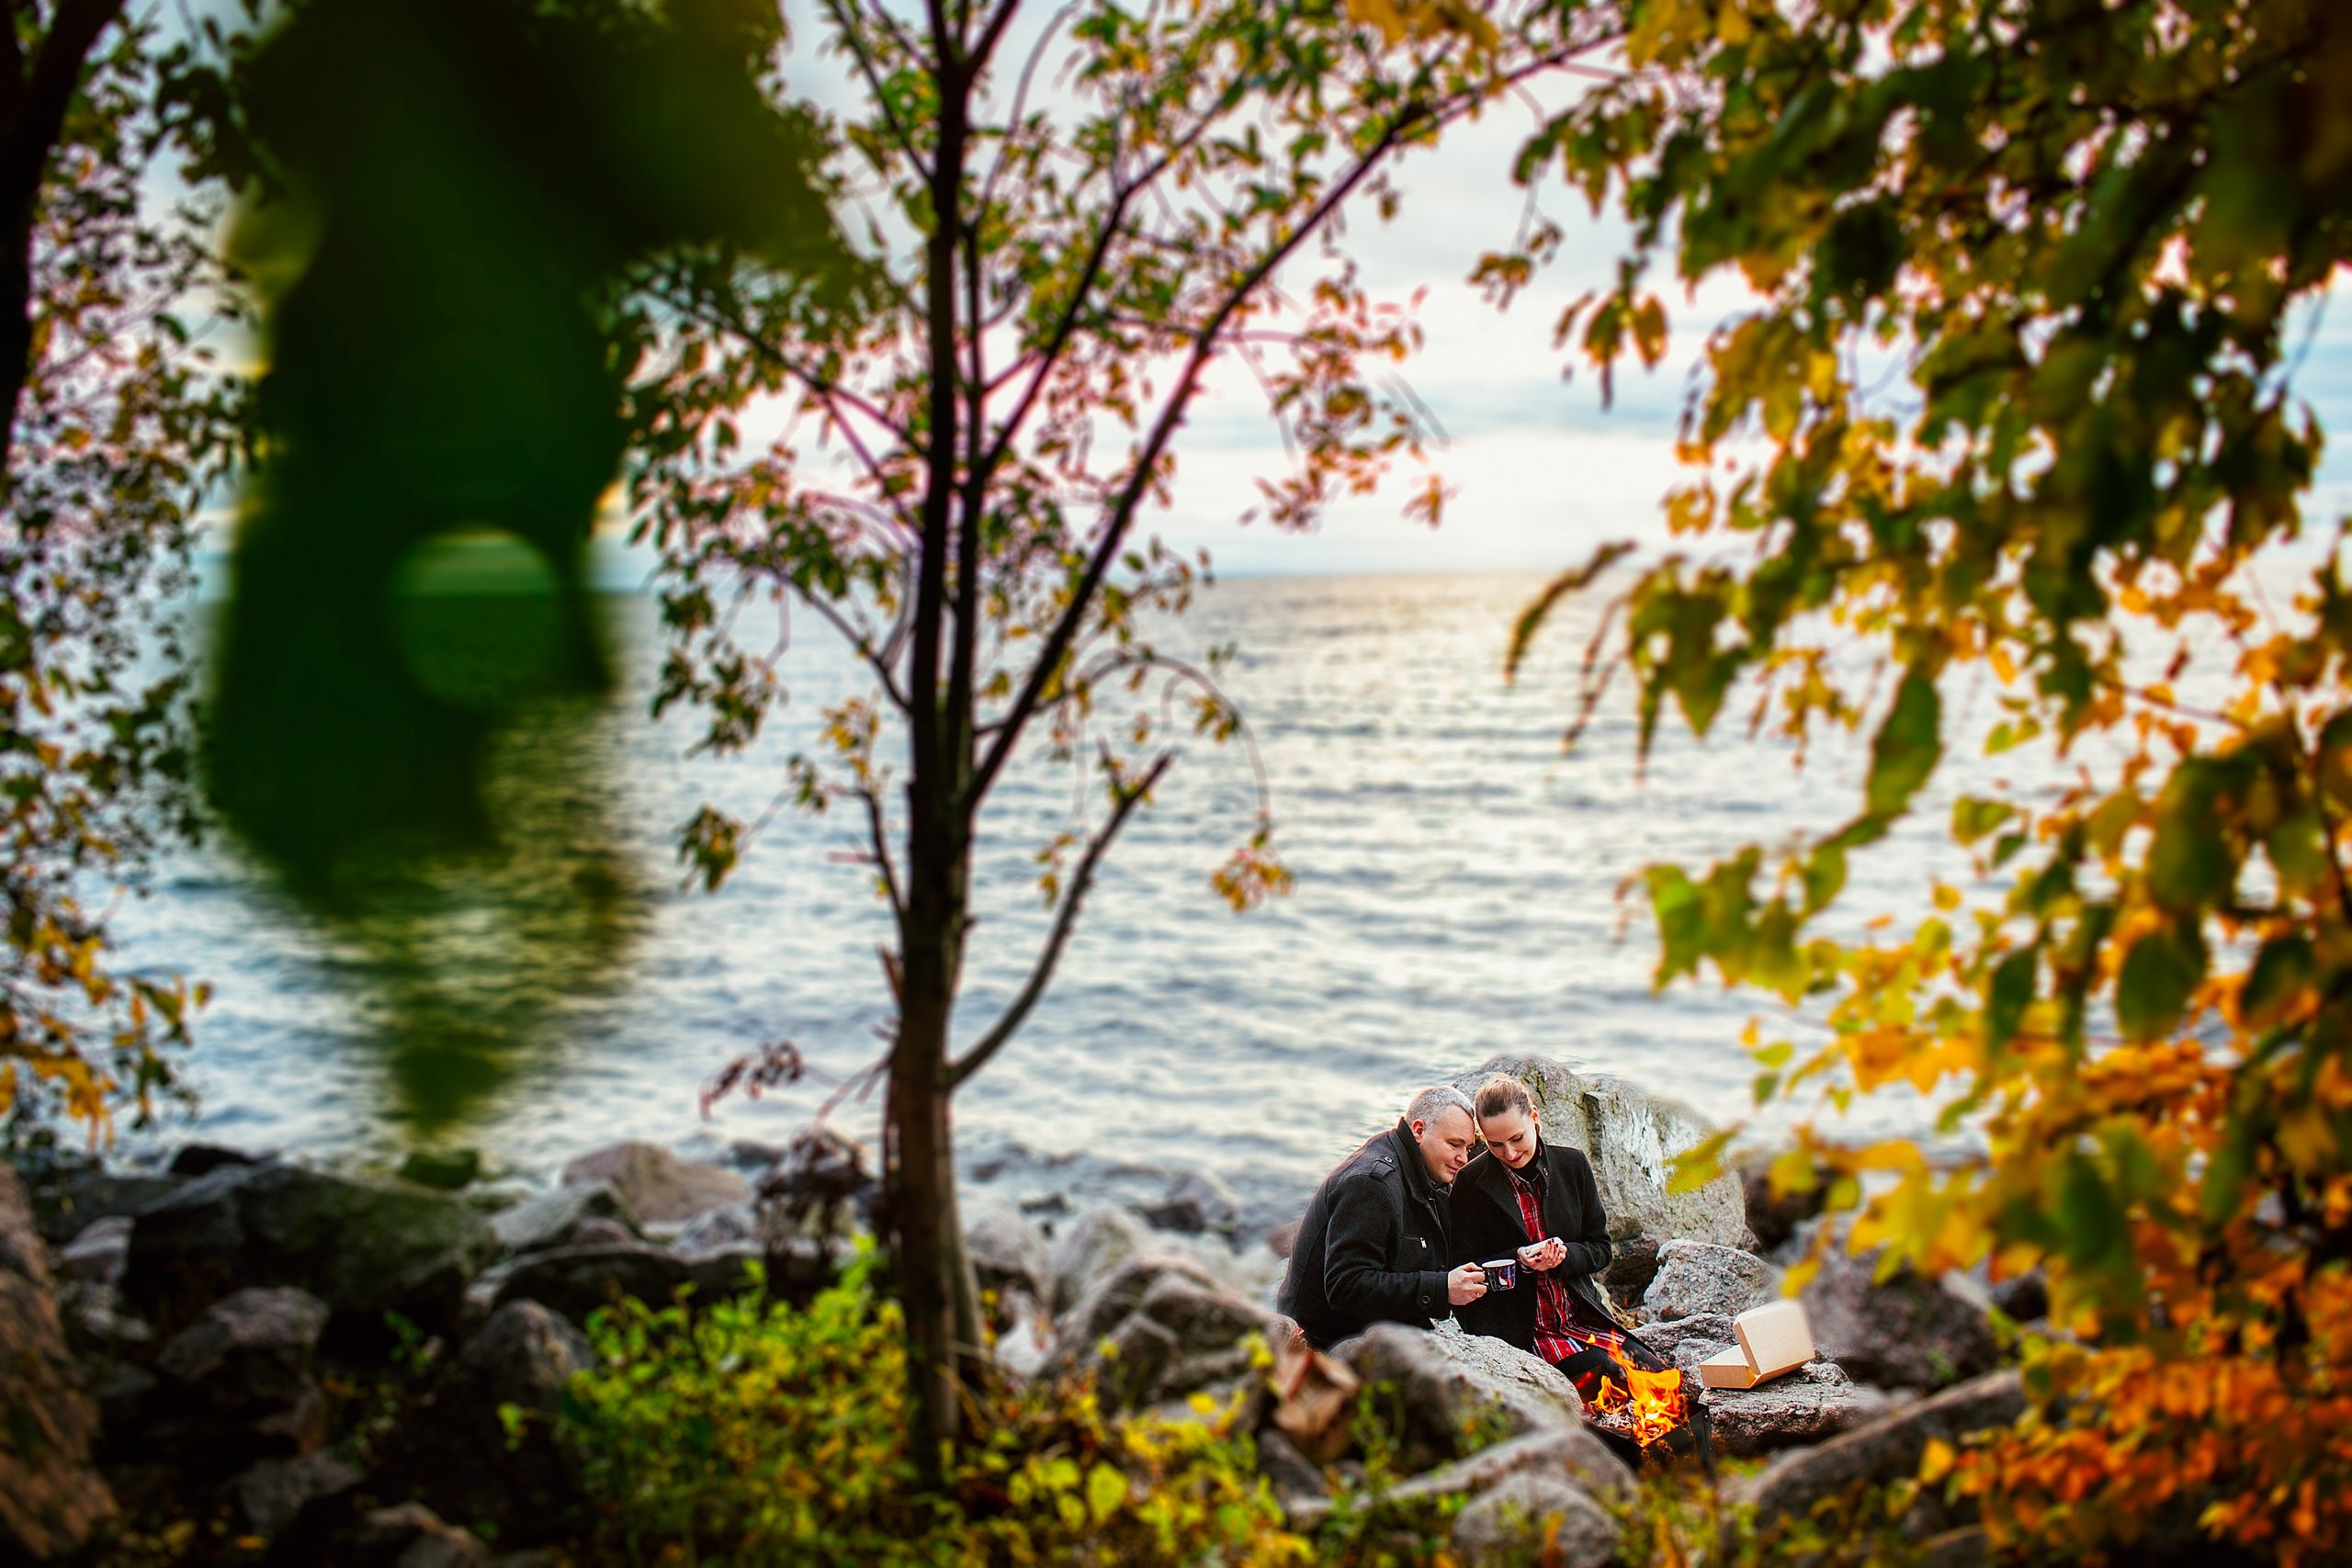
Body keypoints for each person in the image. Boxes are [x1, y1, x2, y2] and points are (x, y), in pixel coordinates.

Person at [1451, 1073, 1669, 1400]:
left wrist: (1566, 1255)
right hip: (1522, 1332)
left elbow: (1601, 1249)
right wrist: (1518, 1260)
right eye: (1496, 1144)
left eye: (1517, 1137)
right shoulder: (1470, 1183)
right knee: (1602, 1373)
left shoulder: (1572, 1165)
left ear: (1534, 1117)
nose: (1510, 1153)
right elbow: (1462, 1267)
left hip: (1579, 1316)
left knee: (1658, 1375)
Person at [1278, 1085, 1491, 1348]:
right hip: (1326, 1342)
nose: (1463, 1158)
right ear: (1419, 1130)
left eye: (1468, 1148)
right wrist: (1441, 1288)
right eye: (1454, 1145)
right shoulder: (1371, 1184)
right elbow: (1346, 1286)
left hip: (1374, 1326)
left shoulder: (1417, 1165)